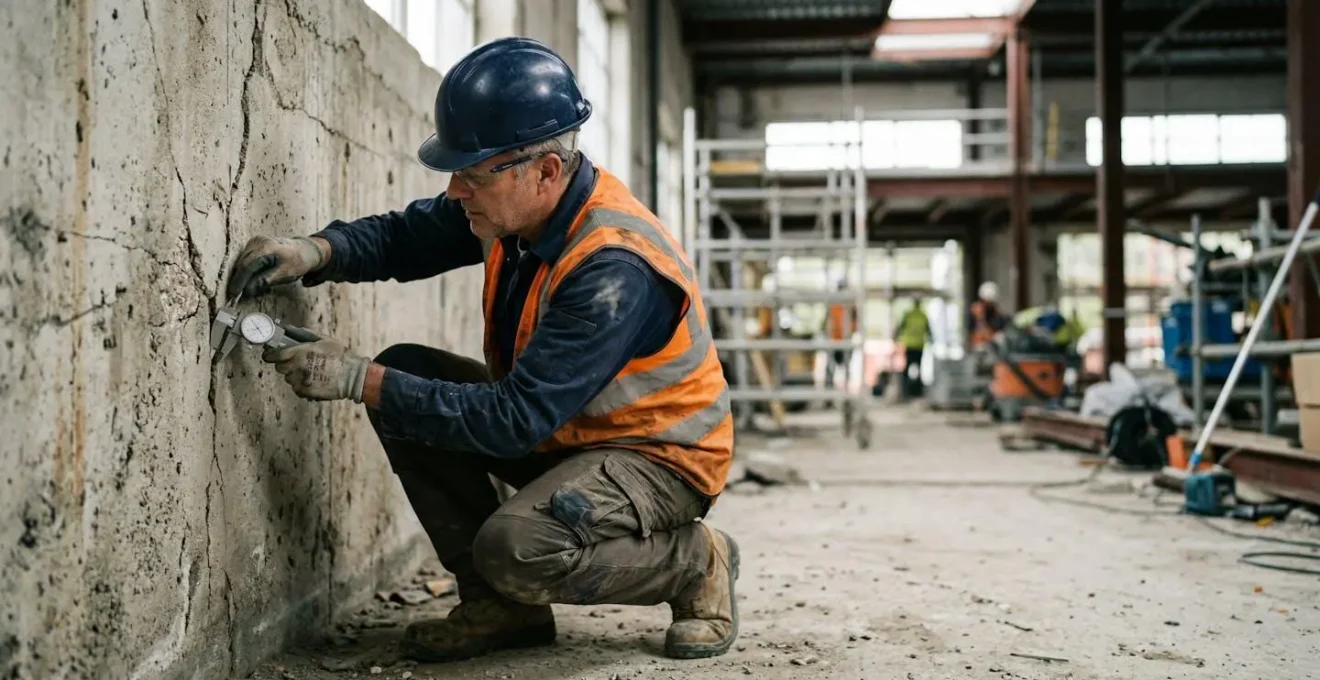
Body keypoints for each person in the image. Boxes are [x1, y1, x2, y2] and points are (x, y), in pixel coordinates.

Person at [223, 38, 738, 663]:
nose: (456, 190)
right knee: (409, 376)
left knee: (516, 547)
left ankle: (693, 561)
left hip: (658, 456)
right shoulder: (514, 208)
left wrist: (357, 378)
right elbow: (410, 237)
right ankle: (502, 608)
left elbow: (512, 419)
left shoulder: (612, 270)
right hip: (571, 432)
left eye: (471, 174)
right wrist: (316, 252)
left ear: (545, 170)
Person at [894, 297, 932, 398]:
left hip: (909, 345)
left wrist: (896, 339)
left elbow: (900, 328)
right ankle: (917, 391)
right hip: (919, 345)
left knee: (907, 368)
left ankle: (905, 391)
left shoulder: (908, 314)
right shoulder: (923, 315)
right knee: (918, 368)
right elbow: (929, 330)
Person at [824, 281, 858, 388]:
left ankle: (846, 392)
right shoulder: (833, 305)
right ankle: (829, 393)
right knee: (831, 367)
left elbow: (855, 322)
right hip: (835, 340)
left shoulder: (851, 306)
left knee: (846, 367)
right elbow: (828, 321)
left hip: (845, 340)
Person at [967, 281, 1005, 350]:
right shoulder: (977, 309)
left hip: (990, 342)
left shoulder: (993, 309)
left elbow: (998, 324)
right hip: (980, 344)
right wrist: (993, 337)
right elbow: (980, 328)